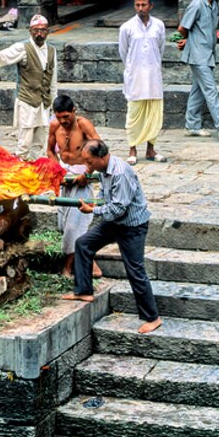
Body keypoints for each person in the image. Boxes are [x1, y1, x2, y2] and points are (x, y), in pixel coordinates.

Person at [62, 139, 162, 334]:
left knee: (135, 269)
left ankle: (153, 317)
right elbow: (112, 206)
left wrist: (92, 210)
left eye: (90, 162)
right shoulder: (103, 168)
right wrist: (85, 174)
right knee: (83, 243)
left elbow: (118, 208)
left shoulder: (120, 173)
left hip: (132, 225)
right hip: (114, 222)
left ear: (102, 157)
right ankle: (84, 291)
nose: (88, 166)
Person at [0, 14, 57, 160]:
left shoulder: (52, 51)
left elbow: (53, 80)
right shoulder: (22, 48)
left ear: (48, 31)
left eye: (42, 30)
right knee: (24, 143)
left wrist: (54, 103)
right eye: (36, 31)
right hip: (28, 102)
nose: (39, 34)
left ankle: (34, 171)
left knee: (40, 142)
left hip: (44, 103)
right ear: (30, 31)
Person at [46, 95, 102, 279]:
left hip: (82, 178)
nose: (63, 121)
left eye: (66, 117)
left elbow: (100, 148)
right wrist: (57, 170)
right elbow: (49, 151)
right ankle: (90, 262)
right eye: (59, 117)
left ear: (73, 111)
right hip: (65, 178)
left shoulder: (83, 124)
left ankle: (68, 268)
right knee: (65, 225)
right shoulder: (54, 126)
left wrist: (87, 173)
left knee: (73, 227)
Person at [177, 0, 219, 141]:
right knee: (210, 90)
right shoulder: (196, 4)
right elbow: (182, 28)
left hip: (208, 53)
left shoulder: (214, 4)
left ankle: (192, 126)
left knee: (197, 91)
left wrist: (190, 39)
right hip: (198, 56)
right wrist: (190, 40)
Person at [119, 0, 167, 165]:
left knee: (154, 114)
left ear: (151, 6)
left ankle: (150, 149)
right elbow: (123, 52)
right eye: (137, 5)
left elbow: (160, 49)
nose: (140, 8)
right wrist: (135, 67)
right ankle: (132, 149)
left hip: (154, 77)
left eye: (144, 5)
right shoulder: (127, 27)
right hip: (135, 78)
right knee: (134, 114)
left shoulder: (159, 25)